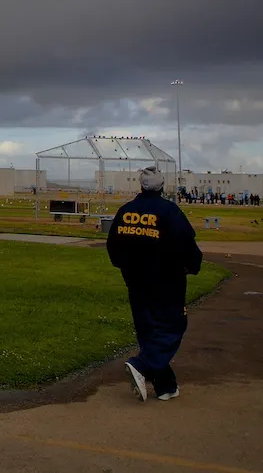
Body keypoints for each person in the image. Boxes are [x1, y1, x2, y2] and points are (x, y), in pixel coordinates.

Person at [106, 167, 203, 403]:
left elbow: (113, 246)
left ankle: (165, 386)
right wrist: (192, 266)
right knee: (172, 327)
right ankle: (140, 364)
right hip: (166, 282)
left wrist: (127, 268)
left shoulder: (126, 211)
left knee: (149, 330)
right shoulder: (168, 211)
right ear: (162, 187)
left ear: (140, 186)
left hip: (136, 281)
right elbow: (186, 243)